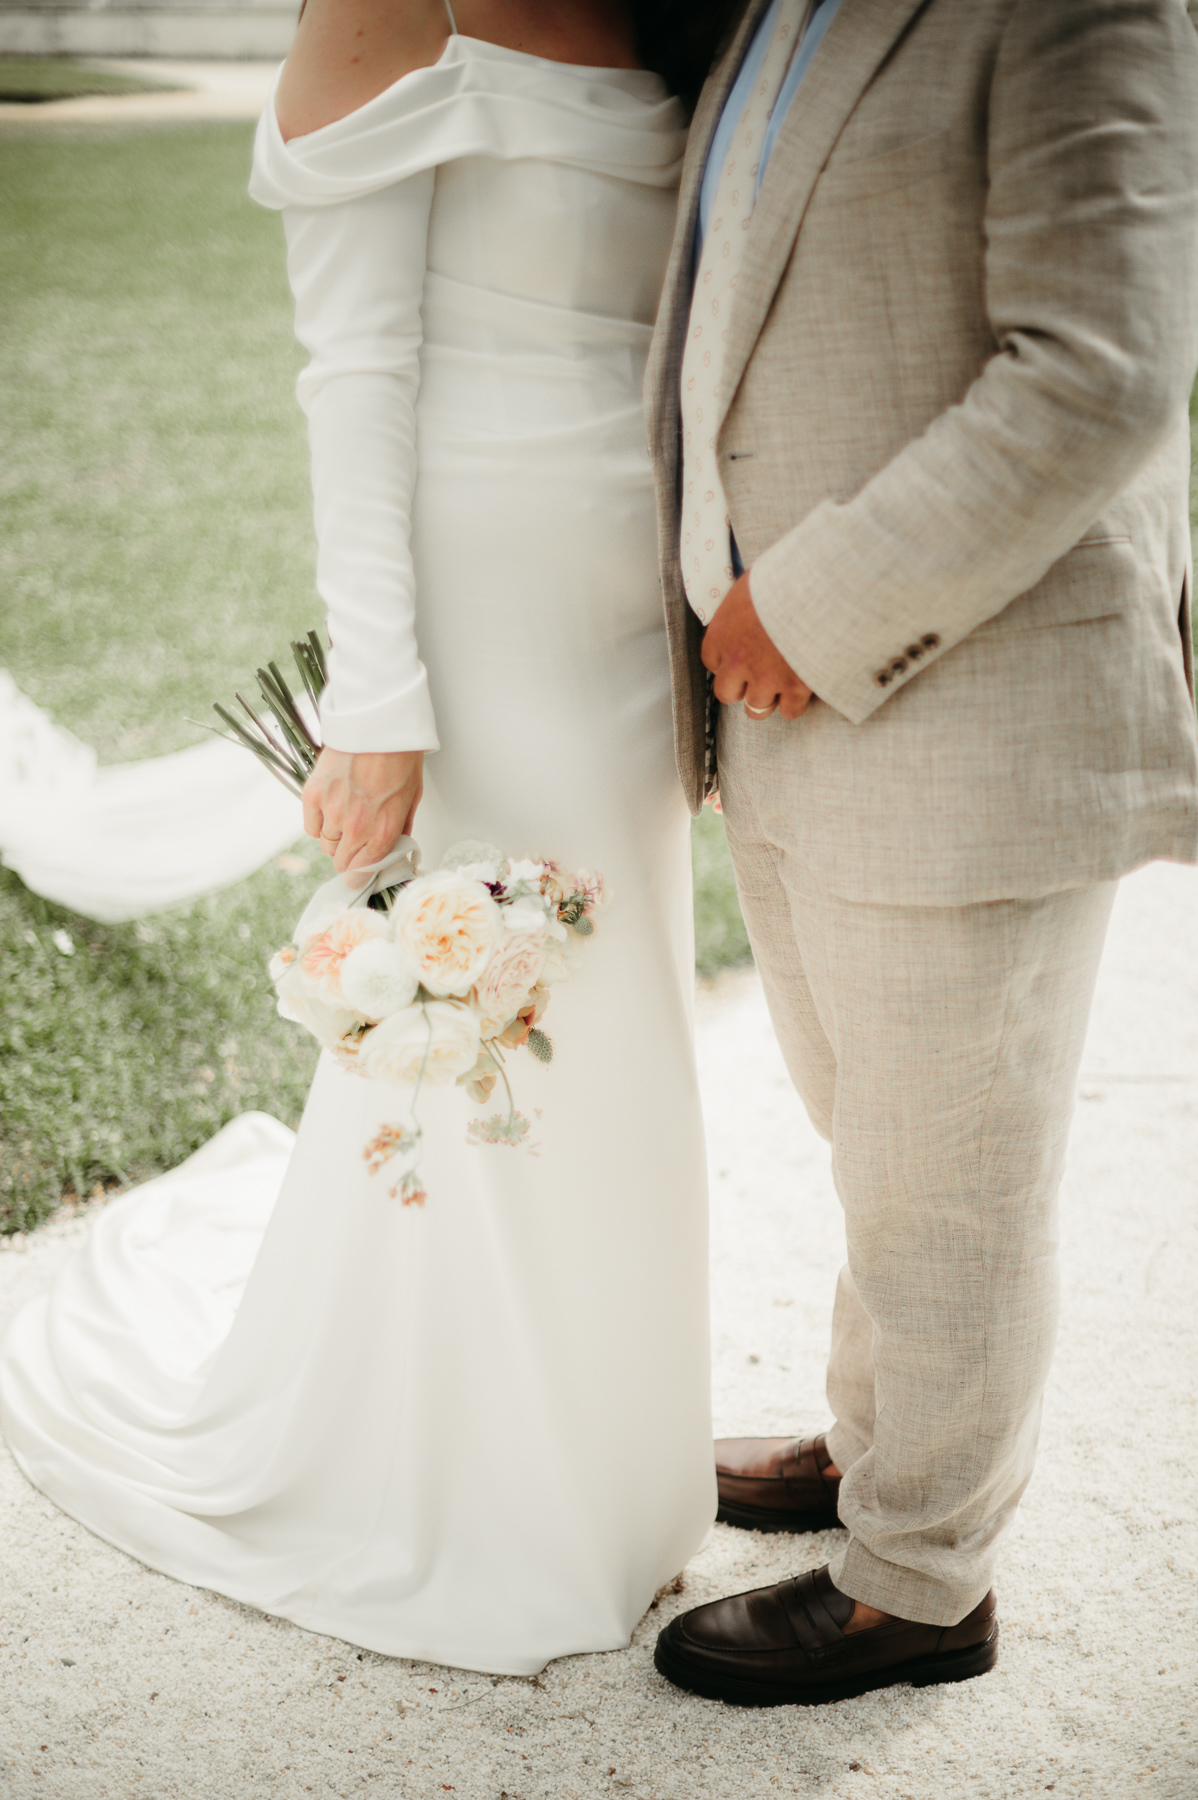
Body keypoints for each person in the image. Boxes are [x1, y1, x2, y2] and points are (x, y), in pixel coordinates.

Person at [0, 0, 734, 1677]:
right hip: (478, 619)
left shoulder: (669, 9)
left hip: (632, 600)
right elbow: (352, 369)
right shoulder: (398, 6)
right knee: (496, 1020)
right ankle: (472, 1483)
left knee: (617, 1020)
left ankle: (611, 1452)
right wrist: (379, 698)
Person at [648, 0, 1198, 1706]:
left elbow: (1099, 368)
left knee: (952, 1177)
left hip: (960, 689)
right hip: (794, 706)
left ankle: (920, 1579)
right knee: (874, 1135)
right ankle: (877, 1445)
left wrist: (803, 608)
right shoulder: (763, 11)